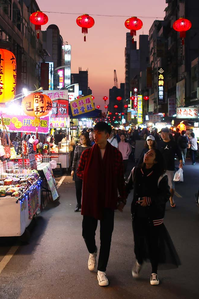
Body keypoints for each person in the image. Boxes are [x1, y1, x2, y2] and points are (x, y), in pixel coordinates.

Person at [76, 122, 127, 287]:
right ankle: (92, 251)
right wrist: (92, 176)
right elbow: (79, 171)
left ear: (107, 135)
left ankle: (102, 270)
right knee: (86, 232)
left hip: (108, 200)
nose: (94, 136)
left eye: (98, 133)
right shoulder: (87, 154)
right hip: (91, 199)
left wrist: (122, 198)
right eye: (94, 132)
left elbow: (120, 178)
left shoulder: (116, 155)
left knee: (106, 237)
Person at [126, 149, 181, 286]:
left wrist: (149, 200)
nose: (147, 155)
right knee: (138, 242)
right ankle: (139, 260)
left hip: (154, 214)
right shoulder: (136, 171)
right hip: (137, 213)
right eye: (146, 153)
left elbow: (164, 196)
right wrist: (120, 200)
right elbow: (127, 187)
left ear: (155, 160)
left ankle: (154, 272)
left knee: (153, 244)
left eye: (151, 154)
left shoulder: (161, 176)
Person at [158, 128, 184, 208]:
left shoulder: (173, 144)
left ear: (168, 133)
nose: (162, 135)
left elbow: (179, 154)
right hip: (160, 168)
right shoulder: (159, 144)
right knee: (158, 185)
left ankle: (171, 198)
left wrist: (180, 163)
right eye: (161, 134)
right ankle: (160, 200)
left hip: (170, 167)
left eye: (164, 134)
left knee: (171, 187)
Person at [71, 133, 92, 212]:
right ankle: (78, 204)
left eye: (83, 138)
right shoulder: (77, 148)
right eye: (81, 139)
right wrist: (73, 169)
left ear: (86, 139)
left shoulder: (90, 148)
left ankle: (86, 204)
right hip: (78, 169)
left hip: (87, 170)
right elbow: (74, 159)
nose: (82, 140)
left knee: (86, 189)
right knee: (78, 188)